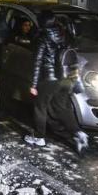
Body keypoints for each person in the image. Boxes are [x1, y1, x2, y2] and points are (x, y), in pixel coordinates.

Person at [26, 10, 89, 155]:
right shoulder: (64, 35)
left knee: (40, 107)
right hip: (66, 78)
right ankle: (78, 133)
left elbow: (37, 63)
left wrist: (34, 85)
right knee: (63, 108)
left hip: (49, 79)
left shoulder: (43, 39)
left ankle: (39, 137)